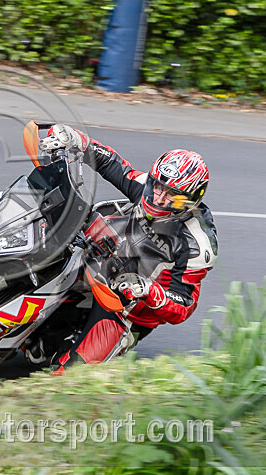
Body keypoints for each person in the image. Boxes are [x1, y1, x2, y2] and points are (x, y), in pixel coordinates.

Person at [38, 125, 218, 375]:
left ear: (191, 199)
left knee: (68, 375)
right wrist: (75, 139)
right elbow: (111, 163)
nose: (158, 197)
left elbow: (184, 305)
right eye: (156, 185)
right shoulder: (149, 188)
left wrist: (148, 290)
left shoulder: (197, 244)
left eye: (171, 195)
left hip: (124, 308)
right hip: (96, 252)